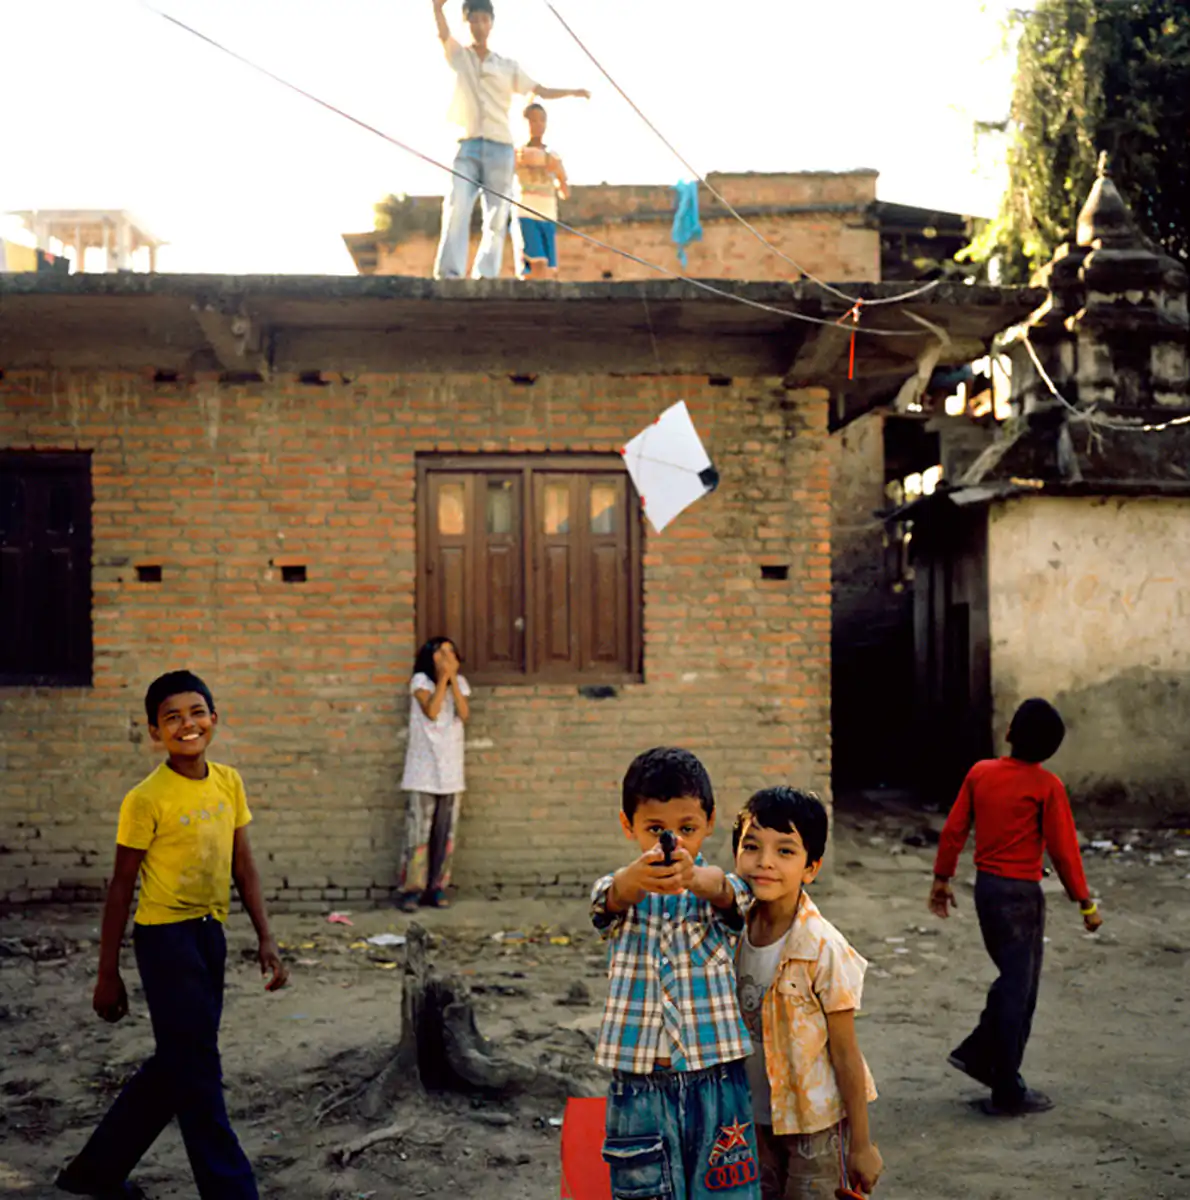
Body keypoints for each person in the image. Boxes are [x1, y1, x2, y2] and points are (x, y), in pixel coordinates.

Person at [56, 670, 287, 1200]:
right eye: (172, 717)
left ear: (214, 718)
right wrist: (106, 972)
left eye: (197, 712)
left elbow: (243, 867)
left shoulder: (229, 781)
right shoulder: (145, 798)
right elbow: (120, 888)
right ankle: (232, 1191)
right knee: (198, 1069)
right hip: (165, 940)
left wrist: (266, 938)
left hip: (211, 936)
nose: (188, 724)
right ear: (154, 731)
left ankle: (93, 1172)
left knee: (179, 1062)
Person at [591, 747, 760, 1200]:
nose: (673, 841)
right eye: (656, 829)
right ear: (628, 825)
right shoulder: (620, 888)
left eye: (687, 829)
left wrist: (696, 878)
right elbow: (607, 901)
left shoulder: (720, 889)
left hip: (717, 1081)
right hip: (639, 1087)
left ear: (710, 823)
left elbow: (732, 896)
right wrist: (636, 879)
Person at [929, 697, 1103, 1117]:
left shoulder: (980, 773)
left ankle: (980, 1056)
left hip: (987, 891)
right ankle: (1004, 1085)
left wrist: (942, 879)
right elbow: (1063, 851)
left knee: (1011, 980)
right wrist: (1085, 903)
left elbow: (954, 831)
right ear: (1051, 751)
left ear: (1008, 734)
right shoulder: (1047, 787)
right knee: (1018, 988)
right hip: (1022, 896)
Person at [733, 788, 883, 1199]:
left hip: (815, 1129)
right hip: (749, 1121)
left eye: (785, 851)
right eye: (752, 846)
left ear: (811, 868)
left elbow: (847, 1053)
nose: (764, 861)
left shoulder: (823, 948)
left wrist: (862, 1144)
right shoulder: (727, 935)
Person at [430, 0, 589, 280]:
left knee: (496, 215)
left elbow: (539, 89)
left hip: (500, 147)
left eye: (483, 20)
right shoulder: (461, 57)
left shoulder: (506, 66)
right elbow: (443, 35)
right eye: (473, 20)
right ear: (467, 23)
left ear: (491, 23)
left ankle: (486, 274)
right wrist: (437, 8)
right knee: (457, 205)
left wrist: (573, 91)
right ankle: (450, 273)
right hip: (468, 145)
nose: (479, 25)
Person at [397, 636, 471, 912]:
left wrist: (453, 681)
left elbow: (463, 714)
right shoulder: (420, 682)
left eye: (452, 652)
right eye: (441, 652)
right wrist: (442, 680)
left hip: (450, 769)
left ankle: (437, 887)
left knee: (445, 832)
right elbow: (432, 710)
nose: (447, 657)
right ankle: (411, 890)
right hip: (423, 769)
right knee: (419, 832)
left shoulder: (461, 684)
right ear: (430, 657)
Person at [513, 102, 569, 279]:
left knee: (550, 267)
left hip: (548, 214)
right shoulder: (517, 153)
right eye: (533, 121)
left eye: (542, 121)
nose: (538, 125)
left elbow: (565, 191)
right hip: (527, 212)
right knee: (534, 262)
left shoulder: (553, 156)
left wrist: (558, 173)